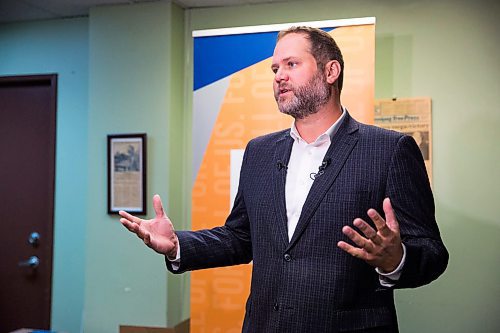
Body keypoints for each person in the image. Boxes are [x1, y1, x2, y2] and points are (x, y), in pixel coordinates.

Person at [120, 26, 448, 333]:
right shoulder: (260, 152)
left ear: (330, 72)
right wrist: (178, 245)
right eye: (275, 69)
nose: (279, 77)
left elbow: (431, 253)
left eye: (291, 64)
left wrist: (396, 259)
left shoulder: (390, 149)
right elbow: (239, 238)